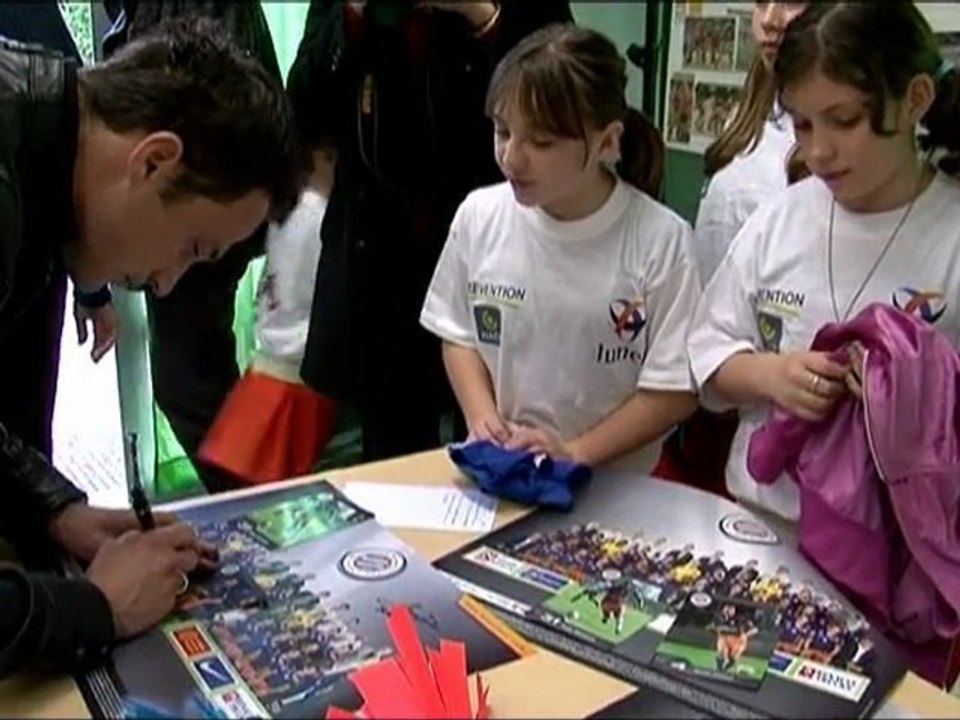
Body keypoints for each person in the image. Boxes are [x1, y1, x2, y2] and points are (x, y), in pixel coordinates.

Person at [0, 17, 301, 677]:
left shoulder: (36, 150)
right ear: (153, 161)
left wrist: (56, 510)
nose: (164, 284)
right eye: (193, 248)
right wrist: (93, 607)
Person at [687, 1, 960, 528]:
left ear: (915, 99)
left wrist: (910, 397)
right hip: (763, 523)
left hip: (906, 544)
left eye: (844, 121)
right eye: (802, 124)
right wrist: (771, 375)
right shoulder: (779, 220)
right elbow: (707, 353)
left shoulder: (948, 233)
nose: (818, 151)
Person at [289, 0, 574, 463]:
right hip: (379, 267)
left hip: (496, 255)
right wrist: (353, 17)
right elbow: (303, 111)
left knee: (502, 446)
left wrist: (481, 14)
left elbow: (562, 89)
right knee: (392, 466)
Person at [420, 24, 700, 475]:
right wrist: (482, 418)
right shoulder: (479, 215)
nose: (511, 157)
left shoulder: (661, 241)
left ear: (607, 141)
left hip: (620, 486)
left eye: (541, 142)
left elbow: (673, 391)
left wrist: (574, 452)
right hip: (507, 473)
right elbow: (457, 333)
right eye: (502, 131)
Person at [102, 0, 285, 493]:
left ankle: (259, 503)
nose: (157, 283)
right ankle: (258, 501)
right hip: (198, 194)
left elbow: (212, 94)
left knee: (189, 380)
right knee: (191, 379)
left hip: (201, 192)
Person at [198, 150, 337, 486]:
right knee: (292, 489)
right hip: (298, 375)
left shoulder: (285, 208)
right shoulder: (322, 217)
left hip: (270, 365)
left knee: (261, 486)